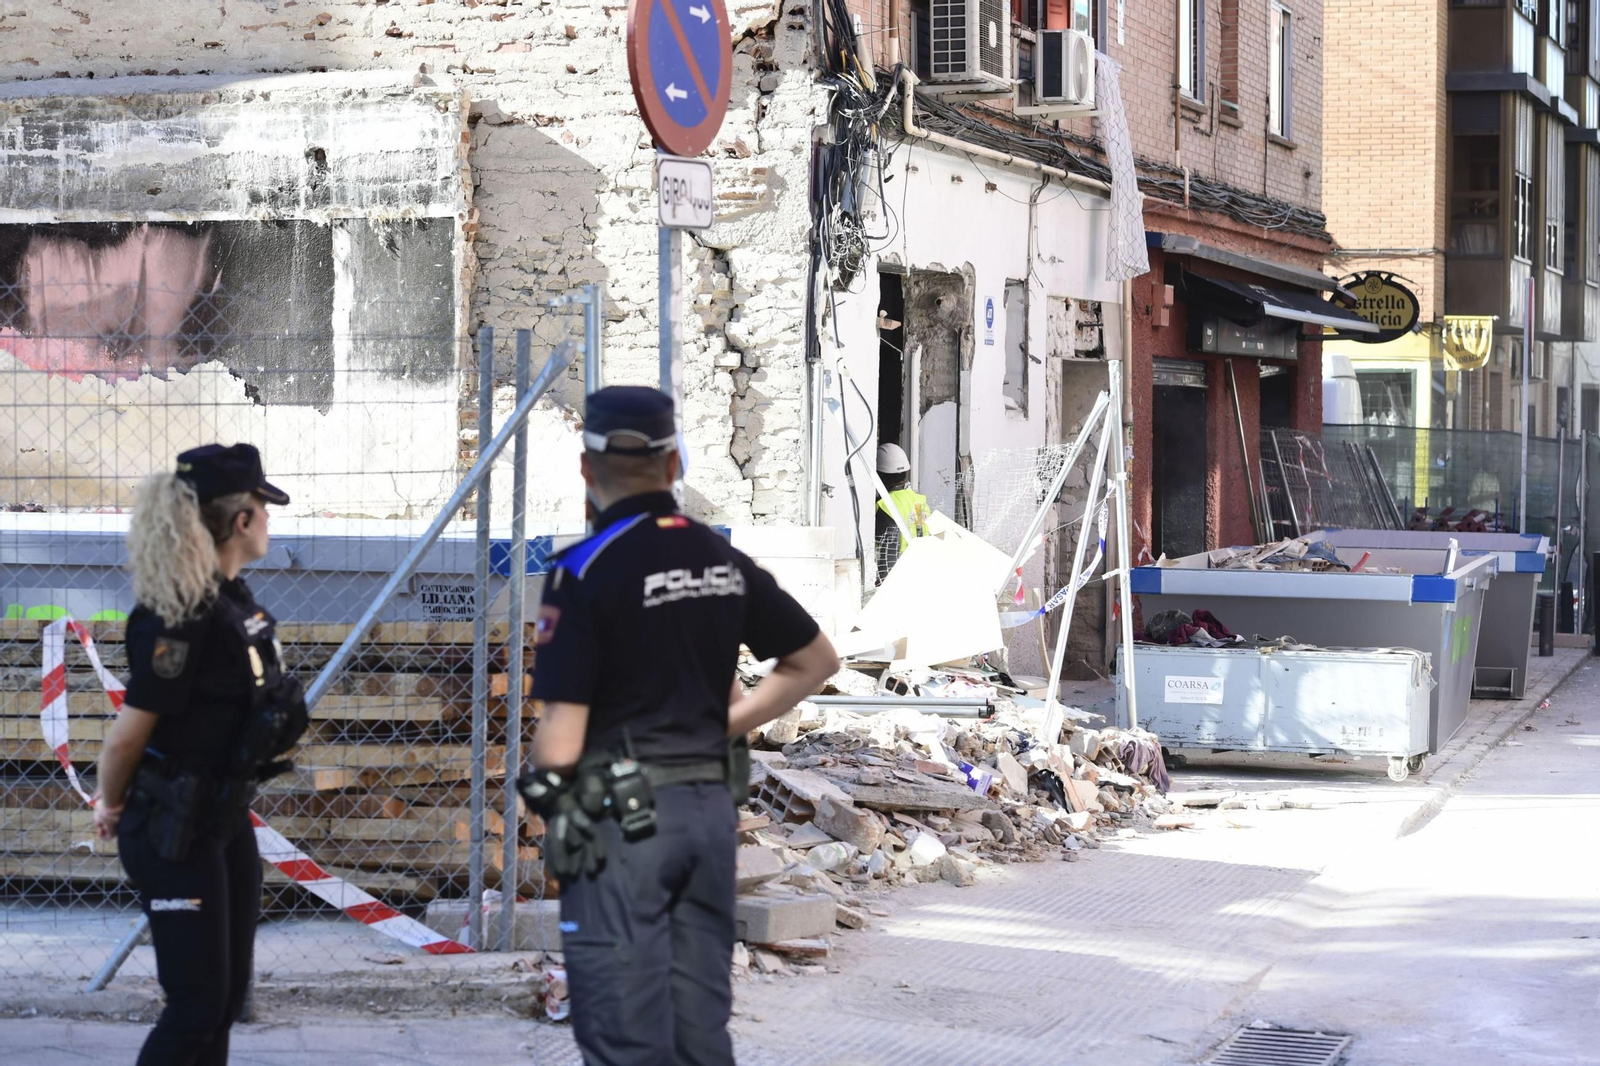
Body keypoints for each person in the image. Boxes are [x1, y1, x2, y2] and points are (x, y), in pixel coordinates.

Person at [518, 386, 839, 1066]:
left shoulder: (583, 571)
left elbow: (562, 741)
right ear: (672, 467)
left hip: (621, 823)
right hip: (705, 816)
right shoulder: (721, 561)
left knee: (623, 1030)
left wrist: (545, 797)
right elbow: (814, 659)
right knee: (697, 1029)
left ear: (586, 470)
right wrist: (730, 723)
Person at [92, 443, 306, 1066]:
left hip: (221, 816)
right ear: (242, 520)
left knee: (225, 996)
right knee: (195, 1004)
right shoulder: (177, 617)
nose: (270, 520)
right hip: (172, 825)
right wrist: (110, 803)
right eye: (264, 509)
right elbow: (127, 736)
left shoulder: (232, 599)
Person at [873, 442, 928, 575]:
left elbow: (889, 551)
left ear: (880, 475)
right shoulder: (918, 501)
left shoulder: (886, 506)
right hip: (920, 570)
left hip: (897, 577)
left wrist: (882, 580)